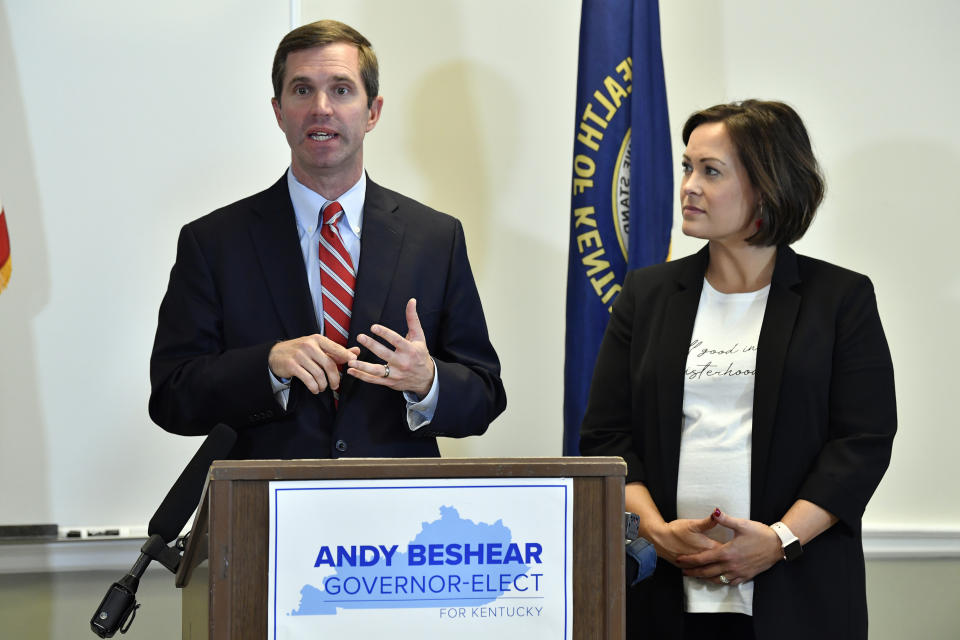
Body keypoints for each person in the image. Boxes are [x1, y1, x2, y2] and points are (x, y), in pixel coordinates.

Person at [579, 100, 895, 639]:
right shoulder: (647, 295)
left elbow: (862, 441)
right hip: (661, 590)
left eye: (711, 171)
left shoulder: (839, 298)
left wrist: (779, 540)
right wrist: (656, 533)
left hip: (796, 588)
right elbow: (607, 436)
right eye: (687, 167)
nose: (689, 186)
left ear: (767, 186)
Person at [149, 20, 506, 460]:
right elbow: (171, 396)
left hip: (396, 513)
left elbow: (486, 395)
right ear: (279, 112)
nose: (321, 108)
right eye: (302, 90)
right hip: (263, 514)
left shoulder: (435, 238)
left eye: (341, 89)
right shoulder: (213, 243)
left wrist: (427, 380)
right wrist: (267, 366)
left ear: (372, 112)